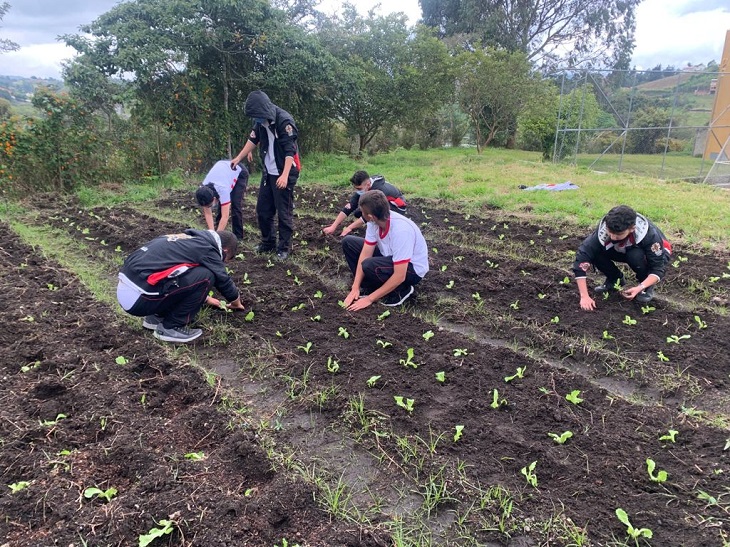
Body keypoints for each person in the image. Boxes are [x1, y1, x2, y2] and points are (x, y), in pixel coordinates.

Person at [117, 229, 244, 343]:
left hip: (129, 290)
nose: (223, 263)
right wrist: (236, 302)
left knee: (192, 273)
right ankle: (170, 327)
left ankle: (155, 318)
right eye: (226, 260)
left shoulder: (187, 239)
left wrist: (205, 298)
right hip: (141, 298)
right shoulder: (207, 249)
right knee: (207, 276)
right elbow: (223, 279)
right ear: (225, 251)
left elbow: (178, 273)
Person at [231, 90, 300, 260]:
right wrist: (238, 158)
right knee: (263, 209)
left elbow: (290, 151)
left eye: (257, 117)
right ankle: (268, 242)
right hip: (268, 172)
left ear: (263, 111)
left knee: (284, 212)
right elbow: (252, 139)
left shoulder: (284, 121)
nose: (256, 120)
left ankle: (283, 248)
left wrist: (284, 176)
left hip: (284, 172)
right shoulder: (261, 122)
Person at [572, 205, 672, 311]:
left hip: (649, 252)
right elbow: (581, 259)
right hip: (621, 248)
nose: (613, 237)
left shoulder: (650, 236)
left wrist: (640, 287)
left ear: (632, 229)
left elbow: (658, 268)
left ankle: (646, 286)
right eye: (609, 232)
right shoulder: (604, 231)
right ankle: (615, 279)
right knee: (595, 252)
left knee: (635, 256)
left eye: (618, 234)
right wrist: (584, 296)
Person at [342, 190, 429, 311]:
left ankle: (400, 291)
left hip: (412, 269)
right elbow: (366, 253)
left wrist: (369, 299)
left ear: (371, 216)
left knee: (369, 265)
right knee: (349, 243)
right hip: (391, 258)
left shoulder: (401, 230)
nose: (361, 214)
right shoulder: (374, 222)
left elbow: (400, 275)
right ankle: (369, 286)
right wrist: (355, 287)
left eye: (362, 212)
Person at [323, 170, 407, 237]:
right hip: (383, 201)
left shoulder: (378, 192)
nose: (358, 191)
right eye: (356, 189)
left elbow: (367, 216)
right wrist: (333, 226)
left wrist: (349, 228)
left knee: (372, 214)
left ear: (368, 184)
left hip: (397, 207)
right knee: (358, 213)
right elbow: (350, 206)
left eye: (359, 189)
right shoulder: (366, 186)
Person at [195, 160, 249, 240]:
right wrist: (212, 233)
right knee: (222, 205)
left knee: (235, 204)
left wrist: (216, 238)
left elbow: (225, 216)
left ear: (214, 198)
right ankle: (217, 231)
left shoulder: (223, 190)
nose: (209, 207)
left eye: (210, 205)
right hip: (223, 172)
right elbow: (208, 214)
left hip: (239, 172)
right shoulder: (203, 191)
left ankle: (238, 237)